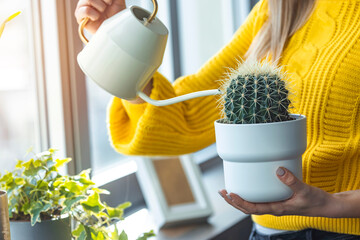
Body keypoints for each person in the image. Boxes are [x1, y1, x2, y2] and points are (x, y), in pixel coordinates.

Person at [75, 0, 360, 239]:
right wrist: (119, 43)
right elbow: (185, 118)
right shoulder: (282, 7)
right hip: (266, 234)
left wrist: (335, 203)